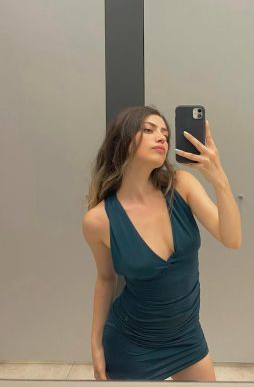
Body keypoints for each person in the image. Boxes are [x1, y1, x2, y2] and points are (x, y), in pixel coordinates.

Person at [82, 105, 240, 380]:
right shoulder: (98, 220)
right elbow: (105, 279)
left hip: (187, 338)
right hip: (132, 343)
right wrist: (95, 344)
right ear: (123, 140)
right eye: (148, 130)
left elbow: (232, 239)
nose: (162, 138)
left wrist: (219, 180)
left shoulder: (182, 185)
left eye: (165, 134)